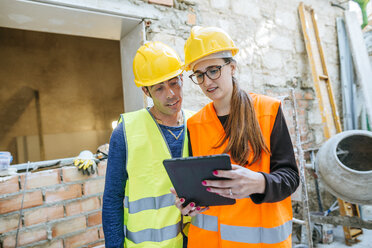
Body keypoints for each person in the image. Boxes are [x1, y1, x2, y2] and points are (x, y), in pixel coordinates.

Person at [172, 26, 300, 247]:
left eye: (213, 70)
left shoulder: (268, 111)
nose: (207, 82)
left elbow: (290, 177)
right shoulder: (194, 124)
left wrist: (259, 182)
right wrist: (189, 204)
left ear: (232, 67)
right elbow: (202, 188)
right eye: (199, 75)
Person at [102, 41, 192, 248]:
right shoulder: (125, 132)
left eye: (174, 82)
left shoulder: (197, 124)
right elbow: (112, 200)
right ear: (146, 92)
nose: (170, 94)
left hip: (195, 241)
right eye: (159, 88)